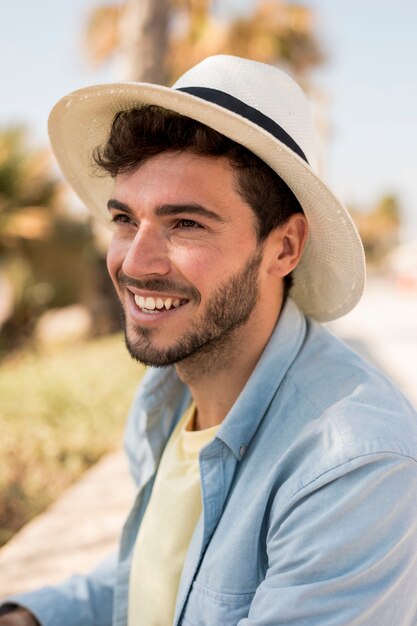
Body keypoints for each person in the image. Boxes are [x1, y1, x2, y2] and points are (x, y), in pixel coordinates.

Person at [1, 55, 417, 626]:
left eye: (186, 224)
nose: (135, 264)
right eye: (125, 219)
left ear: (284, 248)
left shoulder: (353, 467)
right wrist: (32, 614)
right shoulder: (168, 395)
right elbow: (162, 573)